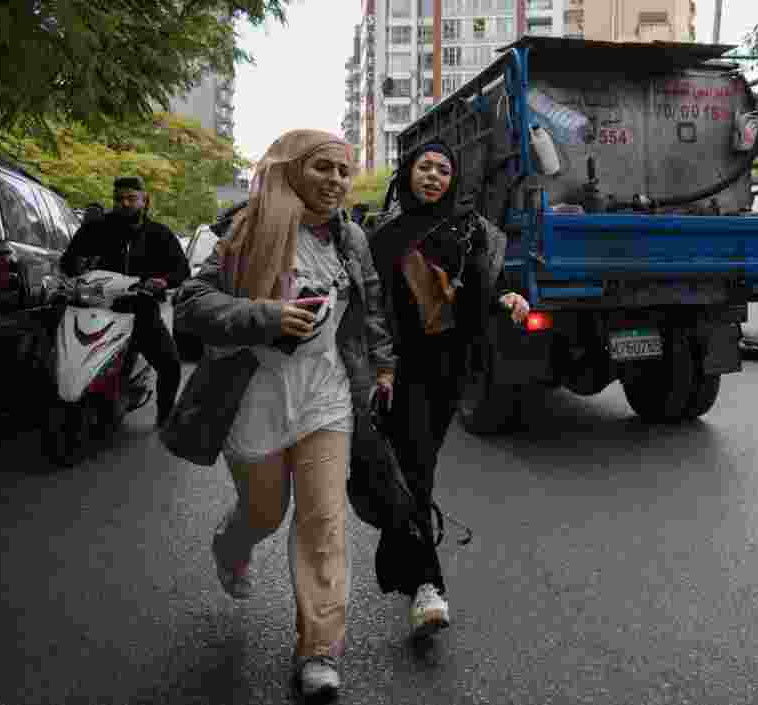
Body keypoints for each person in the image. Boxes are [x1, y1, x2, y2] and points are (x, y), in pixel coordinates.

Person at [173, 129, 395, 699]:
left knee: (323, 522)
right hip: (253, 394)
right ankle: (232, 542)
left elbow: (368, 304)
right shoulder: (239, 228)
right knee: (265, 512)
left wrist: (384, 365)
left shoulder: (351, 238)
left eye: (345, 172)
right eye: (324, 168)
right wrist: (266, 316)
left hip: (326, 393)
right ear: (292, 168)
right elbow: (191, 303)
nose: (337, 182)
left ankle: (319, 649)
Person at [368, 140, 530, 640]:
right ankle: (427, 587)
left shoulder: (472, 229)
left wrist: (508, 296)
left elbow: (493, 282)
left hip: (452, 370)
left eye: (443, 169)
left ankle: (399, 552)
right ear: (408, 174)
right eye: (425, 167)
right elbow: (370, 307)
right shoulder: (384, 236)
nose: (434, 176)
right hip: (400, 371)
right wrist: (375, 366)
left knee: (416, 472)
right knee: (414, 471)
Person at [59, 177, 190, 427]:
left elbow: (182, 271)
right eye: (119, 199)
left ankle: (164, 415)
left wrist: (163, 281)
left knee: (170, 365)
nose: (125, 203)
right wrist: (75, 267)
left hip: (139, 310)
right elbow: (68, 261)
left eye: (131, 198)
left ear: (144, 200)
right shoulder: (94, 229)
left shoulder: (159, 234)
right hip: (94, 308)